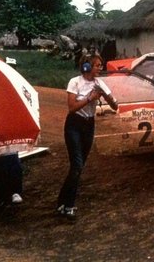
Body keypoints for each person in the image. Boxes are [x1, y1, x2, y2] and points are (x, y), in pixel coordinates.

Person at [57, 54, 118, 221]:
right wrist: (90, 98)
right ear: (87, 67)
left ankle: (61, 201)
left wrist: (107, 97)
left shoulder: (100, 83)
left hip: (89, 125)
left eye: (100, 65)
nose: (100, 68)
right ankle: (68, 206)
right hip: (74, 125)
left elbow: (115, 106)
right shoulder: (75, 82)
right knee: (76, 165)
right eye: (97, 65)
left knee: (78, 167)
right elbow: (72, 108)